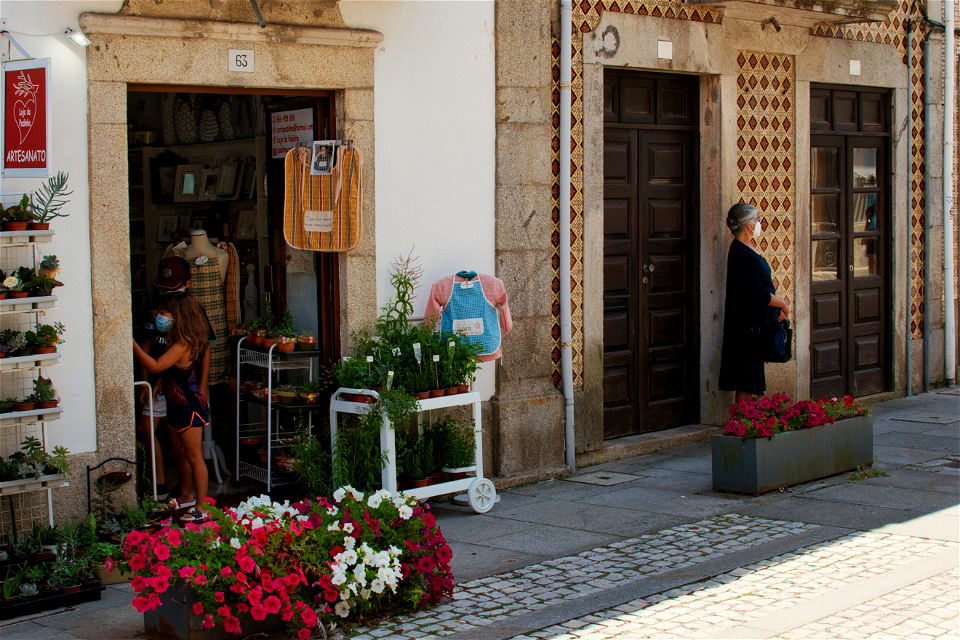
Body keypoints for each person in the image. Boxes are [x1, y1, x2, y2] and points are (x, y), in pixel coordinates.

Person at [134, 263, 213, 522]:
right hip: (177, 405)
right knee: (182, 455)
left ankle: (203, 506)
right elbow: (171, 372)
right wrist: (159, 383)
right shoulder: (180, 340)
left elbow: (156, 364)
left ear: (178, 315)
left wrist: (131, 343)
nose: (161, 315)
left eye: (165, 312)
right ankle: (188, 497)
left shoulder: (182, 343)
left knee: (194, 457)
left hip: (188, 407)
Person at [718, 203, 790, 403]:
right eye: (757, 219)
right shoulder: (740, 253)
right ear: (748, 224)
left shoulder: (750, 248)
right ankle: (742, 424)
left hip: (756, 324)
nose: (759, 223)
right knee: (746, 379)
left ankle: (750, 422)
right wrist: (782, 303)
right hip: (745, 325)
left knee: (752, 377)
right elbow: (757, 292)